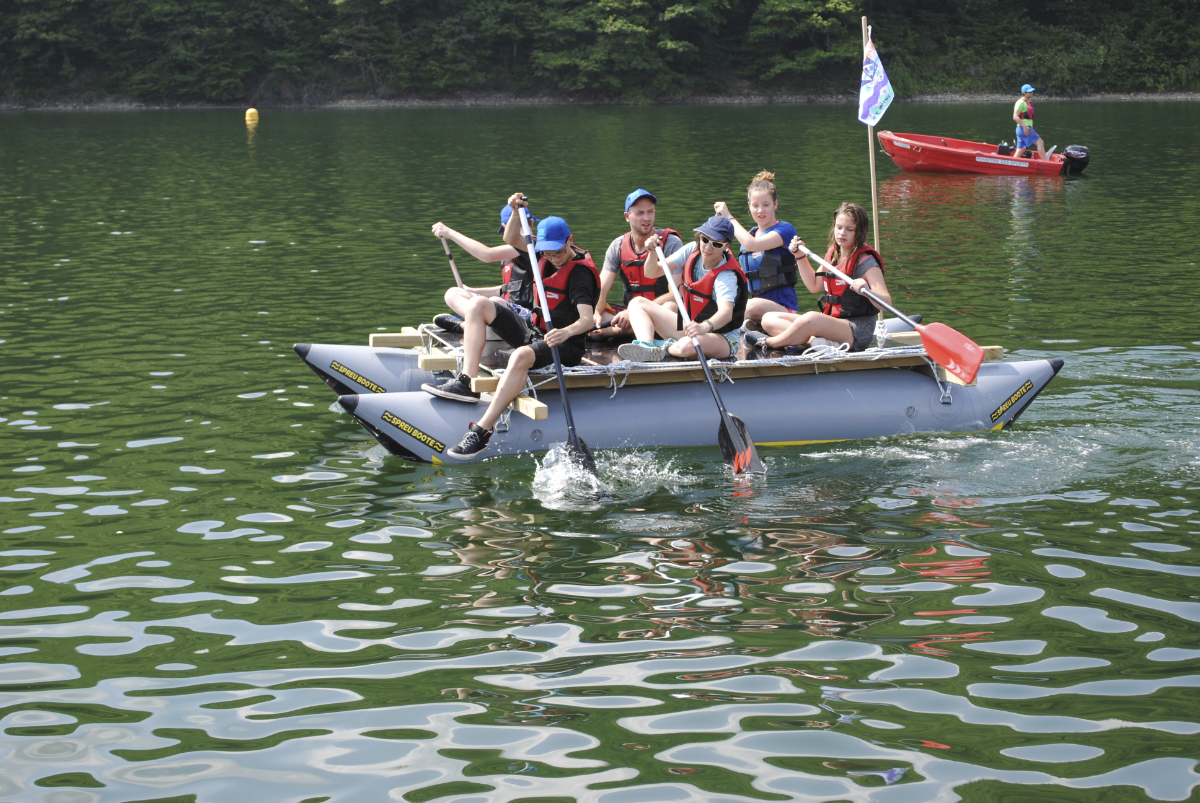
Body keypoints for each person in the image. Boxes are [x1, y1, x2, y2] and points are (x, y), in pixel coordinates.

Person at [425, 194, 599, 460]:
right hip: (535, 331)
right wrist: (515, 209)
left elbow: (587, 319)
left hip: (565, 342)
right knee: (479, 305)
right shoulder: (541, 253)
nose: (554, 258)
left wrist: (566, 331)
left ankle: (482, 431)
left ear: (571, 240)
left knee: (519, 355)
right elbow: (509, 239)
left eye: (559, 251)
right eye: (548, 252)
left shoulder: (580, 274)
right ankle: (466, 381)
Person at [743, 202, 891, 354]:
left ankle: (770, 342)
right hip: (831, 323)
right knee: (769, 319)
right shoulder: (834, 254)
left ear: (859, 232)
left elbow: (886, 302)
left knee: (812, 318)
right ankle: (816, 342)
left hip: (856, 331)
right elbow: (813, 285)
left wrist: (867, 290)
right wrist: (800, 257)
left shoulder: (866, 262)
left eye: (849, 229)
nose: (842, 233)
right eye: (839, 227)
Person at [616, 215, 747, 363]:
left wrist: (705, 327)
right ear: (700, 237)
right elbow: (652, 272)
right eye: (705, 240)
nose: (708, 247)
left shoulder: (726, 276)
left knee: (686, 346)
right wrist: (652, 252)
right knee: (637, 303)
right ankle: (646, 347)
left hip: (723, 338)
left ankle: (664, 348)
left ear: (726, 246)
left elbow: (726, 313)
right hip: (692, 327)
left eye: (716, 244)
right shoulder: (692, 249)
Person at [428, 204, 540, 334]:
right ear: (531, 223)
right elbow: (508, 289)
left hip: (529, 317)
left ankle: (470, 326)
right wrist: (471, 290)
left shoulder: (532, 244)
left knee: (494, 302)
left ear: (505, 227)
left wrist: (450, 233)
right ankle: (481, 326)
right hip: (509, 309)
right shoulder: (510, 253)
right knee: (453, 294)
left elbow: (487, 255)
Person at [592, 189, 685, 339]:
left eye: (650, 212)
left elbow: (676, 294)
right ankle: (625, 329)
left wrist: (635, 311)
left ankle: (617, 331)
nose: (646, 218)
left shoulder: (671, 244)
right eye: (639, 213)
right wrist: (595, 313)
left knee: (671, 307)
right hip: (628, 313)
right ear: (627, 217)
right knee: (594, 313)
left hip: (664, 312)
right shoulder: (617, 246)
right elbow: (601, 289)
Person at [714, 171, 798, 326]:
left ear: (775, 204)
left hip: (785, 309)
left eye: (766, 205)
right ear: (749, 207)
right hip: (757, 309)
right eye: (755, 205)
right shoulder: (750, 234)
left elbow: (752, 245)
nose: (760, 211)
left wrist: (729, 217)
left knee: (749, 306)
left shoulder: (785, 230)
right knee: (724, 307)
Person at [1012, 84, 1046, 160]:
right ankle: (1047, 162)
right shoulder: (1020, 102)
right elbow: (1015, 116)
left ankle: (1012, 162)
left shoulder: (1027, 102)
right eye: (1029, 92)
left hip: (1021, 129)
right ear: (1024, 92)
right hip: (1024, 128)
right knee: (1040, 142)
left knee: (1021, 149)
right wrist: (1025, 127)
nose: (1032, 93)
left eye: (1032, 91)